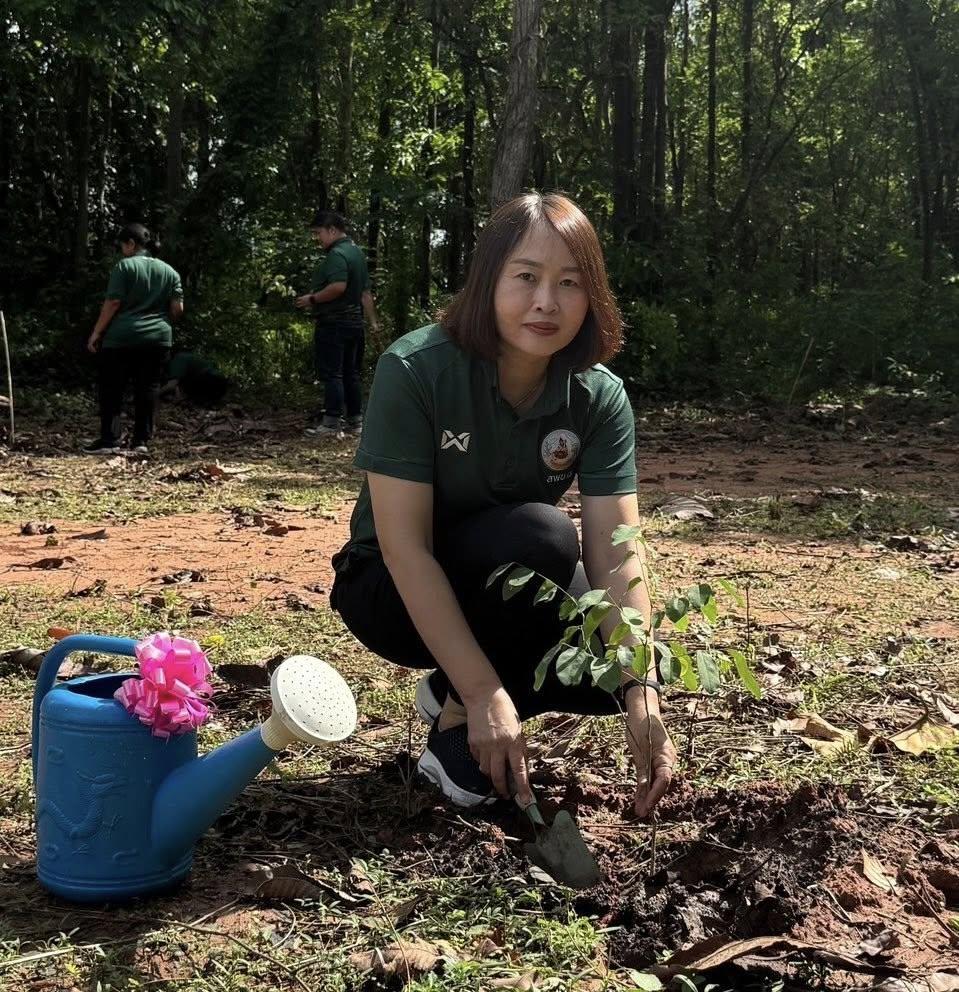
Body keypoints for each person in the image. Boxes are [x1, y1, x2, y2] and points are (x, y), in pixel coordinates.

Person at [330, 193, 677, 816]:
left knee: (615, 665)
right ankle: (467, 716)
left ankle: (450, 697)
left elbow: (617, 552)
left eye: (570, 283)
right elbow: (405, 549)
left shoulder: (598, 397)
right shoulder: (416, 370)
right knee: (542, 537)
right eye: (526, 277)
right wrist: (487, 687)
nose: (546, 302)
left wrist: (642, 689)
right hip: (387, 588)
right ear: (488, 280)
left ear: (592, 296)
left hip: (503, 578)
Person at [84, 223, 183, 455]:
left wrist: (97, 332)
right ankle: (141, 442)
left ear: (130, 243)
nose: (121, 251)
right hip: (158, 340)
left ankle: (111, 439)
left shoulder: (124, 267)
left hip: (122, 339)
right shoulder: (171, 272)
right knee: (148, 389)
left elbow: (113, 302)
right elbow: (177, 309)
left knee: (113, 390)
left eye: (122, 245)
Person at [295, 211, 379, 438]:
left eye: (318, 233)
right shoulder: (357, 254)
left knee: (333, 373)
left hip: (334, 323)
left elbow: (338, 287)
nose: (317, 238)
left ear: (332, 230)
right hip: (354, 324)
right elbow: (365, 293)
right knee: (351, 373)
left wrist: (311, 299)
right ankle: (355, 420)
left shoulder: (337, 254)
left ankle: (331, 423)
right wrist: (373, 323)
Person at [160, 351, 230, 407]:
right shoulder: (181, 357)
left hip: (212, 381)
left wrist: (156, 393)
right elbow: (177, 384)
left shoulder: (177, 360)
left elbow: (173, 383)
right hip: (213, 380)